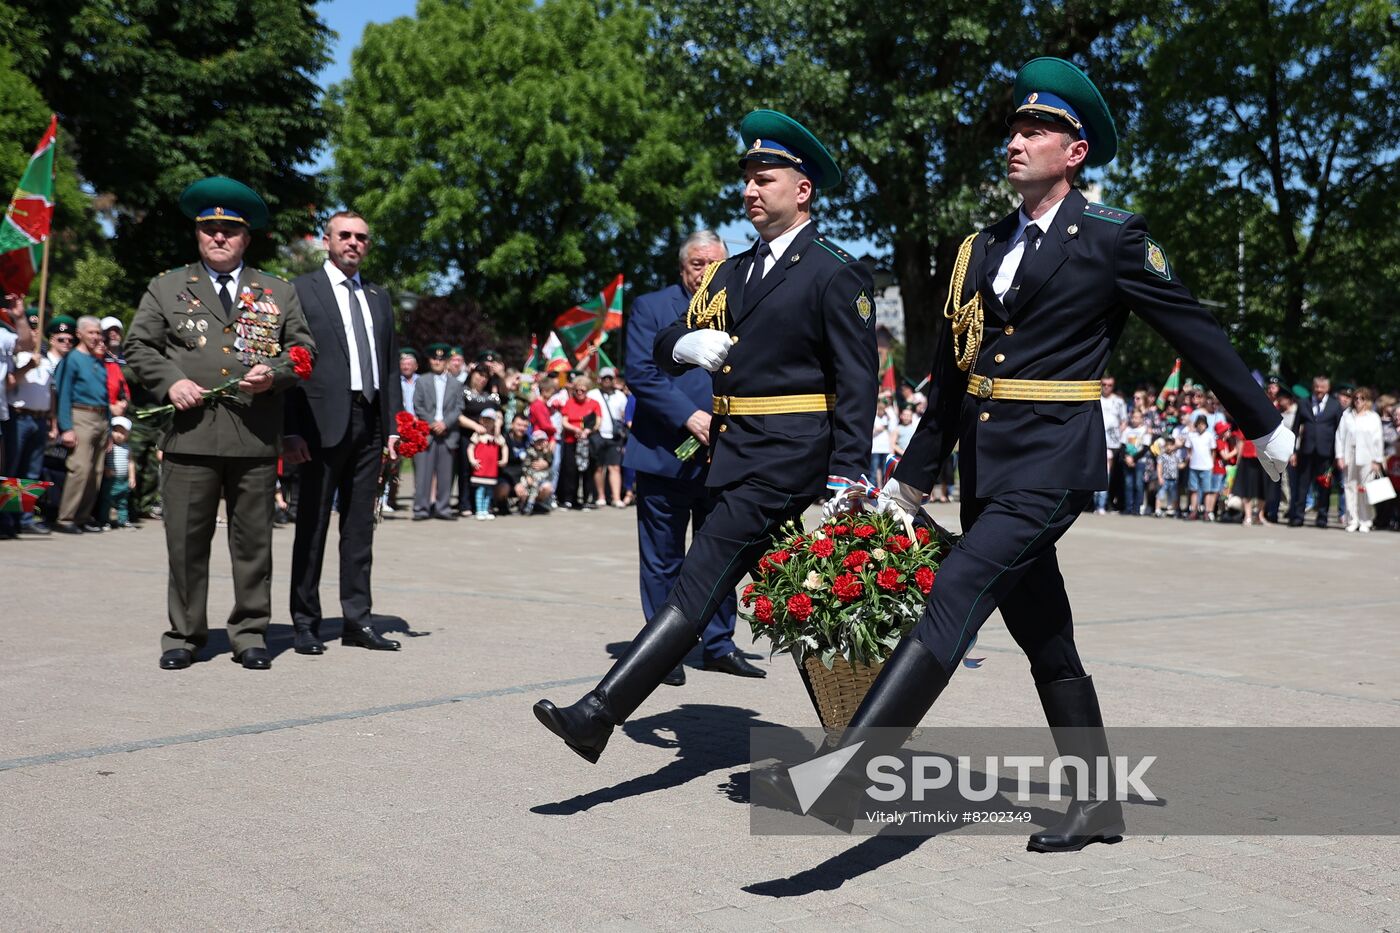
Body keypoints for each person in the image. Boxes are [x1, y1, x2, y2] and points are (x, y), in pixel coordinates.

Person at [755, 59, 1293, 851]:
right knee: (1046, 632)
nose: (1016, 140)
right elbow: (950, 381)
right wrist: (907, 486)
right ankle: (1097, 802)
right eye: (1013, 127)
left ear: (1074, 151)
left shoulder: (1112, 238)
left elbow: (1196, 332)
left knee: (957, 590)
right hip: (988, 466)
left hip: (1054, 459)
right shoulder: (979, 248)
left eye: (1034, 129)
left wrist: (1265, 425)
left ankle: (851, 765)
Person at [534, 110, 876, 761]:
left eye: (764, 178)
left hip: (789, 458)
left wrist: (848, 477)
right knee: (797, 594)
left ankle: (598, 713)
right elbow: (660, 346)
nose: (749, 189)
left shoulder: (834, 271)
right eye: (746, 178)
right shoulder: (729, 273)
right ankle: (858, 732)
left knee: (697, 582)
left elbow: (858, 385)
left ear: (802, 190)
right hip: (738, 454)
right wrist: (683, 342)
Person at [125, 176, 316, 671]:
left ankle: (250, 632)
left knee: (252, 544)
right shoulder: (167, 286)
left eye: (229, 230)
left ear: (245, 237)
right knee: (186, 542)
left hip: (253, 438)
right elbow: (137, 346)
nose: (218, 237)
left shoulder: (276, 290)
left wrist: (272, 374)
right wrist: (169, 381)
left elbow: (303, 353)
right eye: (209, 228)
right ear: (197, 234)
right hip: (189, 436)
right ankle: (184, 635)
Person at [622, 230, 766, 685]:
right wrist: (690, 417)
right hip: (664, 453)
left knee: (719, 552)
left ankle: (719, 645)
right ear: (682, 267)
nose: (706, 272)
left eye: (715, 263)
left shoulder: (740, 303)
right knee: (663, 557)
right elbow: (641, 373)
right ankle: (660, 652)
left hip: (724, 455)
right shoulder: (651, 306)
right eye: (698, 264)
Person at [282, 210, 404, 656]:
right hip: (319, 423)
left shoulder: (377, 296)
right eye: (345, 235)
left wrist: (393, 427)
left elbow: (390, 366)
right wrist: (290, 430)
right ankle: (305, 621)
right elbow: (290, 364)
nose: (353, 243)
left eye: (362, 237)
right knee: (311, 525)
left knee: (359, 529)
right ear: (327, 240)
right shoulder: (301, 291)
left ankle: (357, 619)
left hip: (370, 422)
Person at [52, 316, 112, 534]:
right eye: (91, 332)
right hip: (81, 415)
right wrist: (66, 427)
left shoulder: (98, 360)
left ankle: (83, 516)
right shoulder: (72, 359)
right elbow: (64, 394)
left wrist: (110, 429)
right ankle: (66, 517)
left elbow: (105, 397)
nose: (96, 337)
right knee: (80, 468)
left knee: (95, 471)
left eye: (98, 333)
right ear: (79, 334)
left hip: (100, 418)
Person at [411, 343, 464, 520]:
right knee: (423, 474)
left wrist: (445, 423)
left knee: (445, 474)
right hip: (427, 431)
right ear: (429, 360)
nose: (437, 362)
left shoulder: (456, 384)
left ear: (447, 361)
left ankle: (443, 508)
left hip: (447, 433)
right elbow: (417, 405)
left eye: (441, 359)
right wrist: (433, 423)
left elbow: (458, 407)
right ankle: (421, 508)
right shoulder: (422, 380)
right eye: (434, 358)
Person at [0, 294, 38, 539]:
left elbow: (26, 343)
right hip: (15, 412)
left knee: (7, 472)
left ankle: (9, 523)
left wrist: (19, 316)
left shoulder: (2, 332)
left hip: (2, 412)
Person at [1287, 376, 1343, 527]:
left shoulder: (1335, 405)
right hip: (1306, 451)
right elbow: (1295, 428)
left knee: (1324, 486)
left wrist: (1339, 455)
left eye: (1322, 387)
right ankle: (1298, 516)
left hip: (1326, 453)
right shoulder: (1304, 403)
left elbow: (1340, 431)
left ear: (1327, 389)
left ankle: (1322, 517)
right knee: (1302, 486)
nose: (1319, 390)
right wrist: (1293, 451)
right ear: (1313, 387)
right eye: (1317, 387)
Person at [1335, 387, 1384, 533]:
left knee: (1365, 489)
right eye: (1356, 398)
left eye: (1362, 398)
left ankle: (1365, 520)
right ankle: (1352, 519)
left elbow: (1378, 440)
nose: (1358, 401)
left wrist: (1377, 460)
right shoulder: (1347, 415)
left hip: (1367, 457)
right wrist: (1340, 456)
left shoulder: (1373, 417)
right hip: (1349, 454)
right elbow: (1340, 437)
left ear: (1367, 400)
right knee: (1349, 487)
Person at [458, 363, 500, 514]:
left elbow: (498, 411)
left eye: (486, 377)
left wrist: (498, 426)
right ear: (472, 374)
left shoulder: (490, 395)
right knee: (466, 470)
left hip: (488, 440)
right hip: (468, 436)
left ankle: (483, 504)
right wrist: (476, 427)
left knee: (485, 470)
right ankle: (465, 504)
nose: (482, 379)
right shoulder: (463, 391)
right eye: (479, 375)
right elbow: (458, 415)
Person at [556, 375, 601, 510]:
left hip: (587, 442)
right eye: (577, 390)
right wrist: (575, 428)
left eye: (583, 390)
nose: (580, 393)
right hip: (571, 440)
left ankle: (587, 499)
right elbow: (564, 421)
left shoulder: (594, 403)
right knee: (570, 470)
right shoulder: (569, 403)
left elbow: (598, 422)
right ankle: (569, 499)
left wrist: (588, 430)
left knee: (587, 471)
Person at [587, 367, 630, 507]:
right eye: (604, 378)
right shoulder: (592, 394)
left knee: (615, 467)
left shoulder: (620, 396)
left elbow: (625, 415)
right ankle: (601, 496)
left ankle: (616, 497)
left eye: (610, 378)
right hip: (597, 434)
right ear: (599, 379)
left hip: (615, 436)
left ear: (614, 379)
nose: (607, 380)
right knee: (598, 467)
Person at [467, 408, 506, 520]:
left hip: (491, 469)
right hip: (481, 468)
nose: (488, 423)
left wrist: (504, 459)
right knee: (480, 490)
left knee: (489, 490)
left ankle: (486, 509)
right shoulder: (478, 435)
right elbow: (470, 448)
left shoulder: (496, 437)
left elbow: (504, 446)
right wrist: (472, 460)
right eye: (486, 420)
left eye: (491, 421)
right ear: (481, 421)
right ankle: (479, 510)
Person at [98, 416, 135, 529]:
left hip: (123, 479)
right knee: (107, 501)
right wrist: (106, 469)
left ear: (128, 434)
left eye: (122, 432)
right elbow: (101, 460)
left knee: (123, 501)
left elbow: (130, 462)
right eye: (115, 431)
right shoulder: (109, 447)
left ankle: (123, 520)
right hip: (110, 479)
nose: (118, 435)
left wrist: (132, 477)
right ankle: (104, 521)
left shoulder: (127, 448)